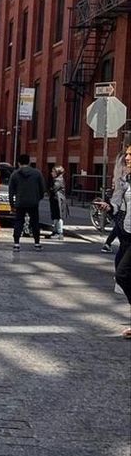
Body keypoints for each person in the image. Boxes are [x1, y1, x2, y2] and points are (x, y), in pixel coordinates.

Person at [101, 144, 131, 337]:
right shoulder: (126, 180)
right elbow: (119, 204)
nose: (127, 158)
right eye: (127, 154)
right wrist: (109, 207)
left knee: (122, 274)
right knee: (122, 275)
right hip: (126, 234)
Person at [8, 153, 46, 251]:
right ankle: (37, 243)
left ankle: (16, 243)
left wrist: (12, 204)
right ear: (29, 162)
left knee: (18, 222)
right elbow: (43, 189)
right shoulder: (37, 173)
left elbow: (11, 191)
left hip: (20, 202)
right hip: (33, 202)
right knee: (35, 222)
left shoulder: (15, 174)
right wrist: (38, 198)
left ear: (18, 163)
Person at [47, 165, 70, 241]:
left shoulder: (58, 180)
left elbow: (53, 189)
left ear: (57, 172)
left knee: (58, 216)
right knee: (55, 216)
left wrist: (48, 190)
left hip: (59, 201)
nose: (51, 173)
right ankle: (55, 231)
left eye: (53, 171)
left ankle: (60, 233)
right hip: (56, 200)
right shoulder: (57, 179)